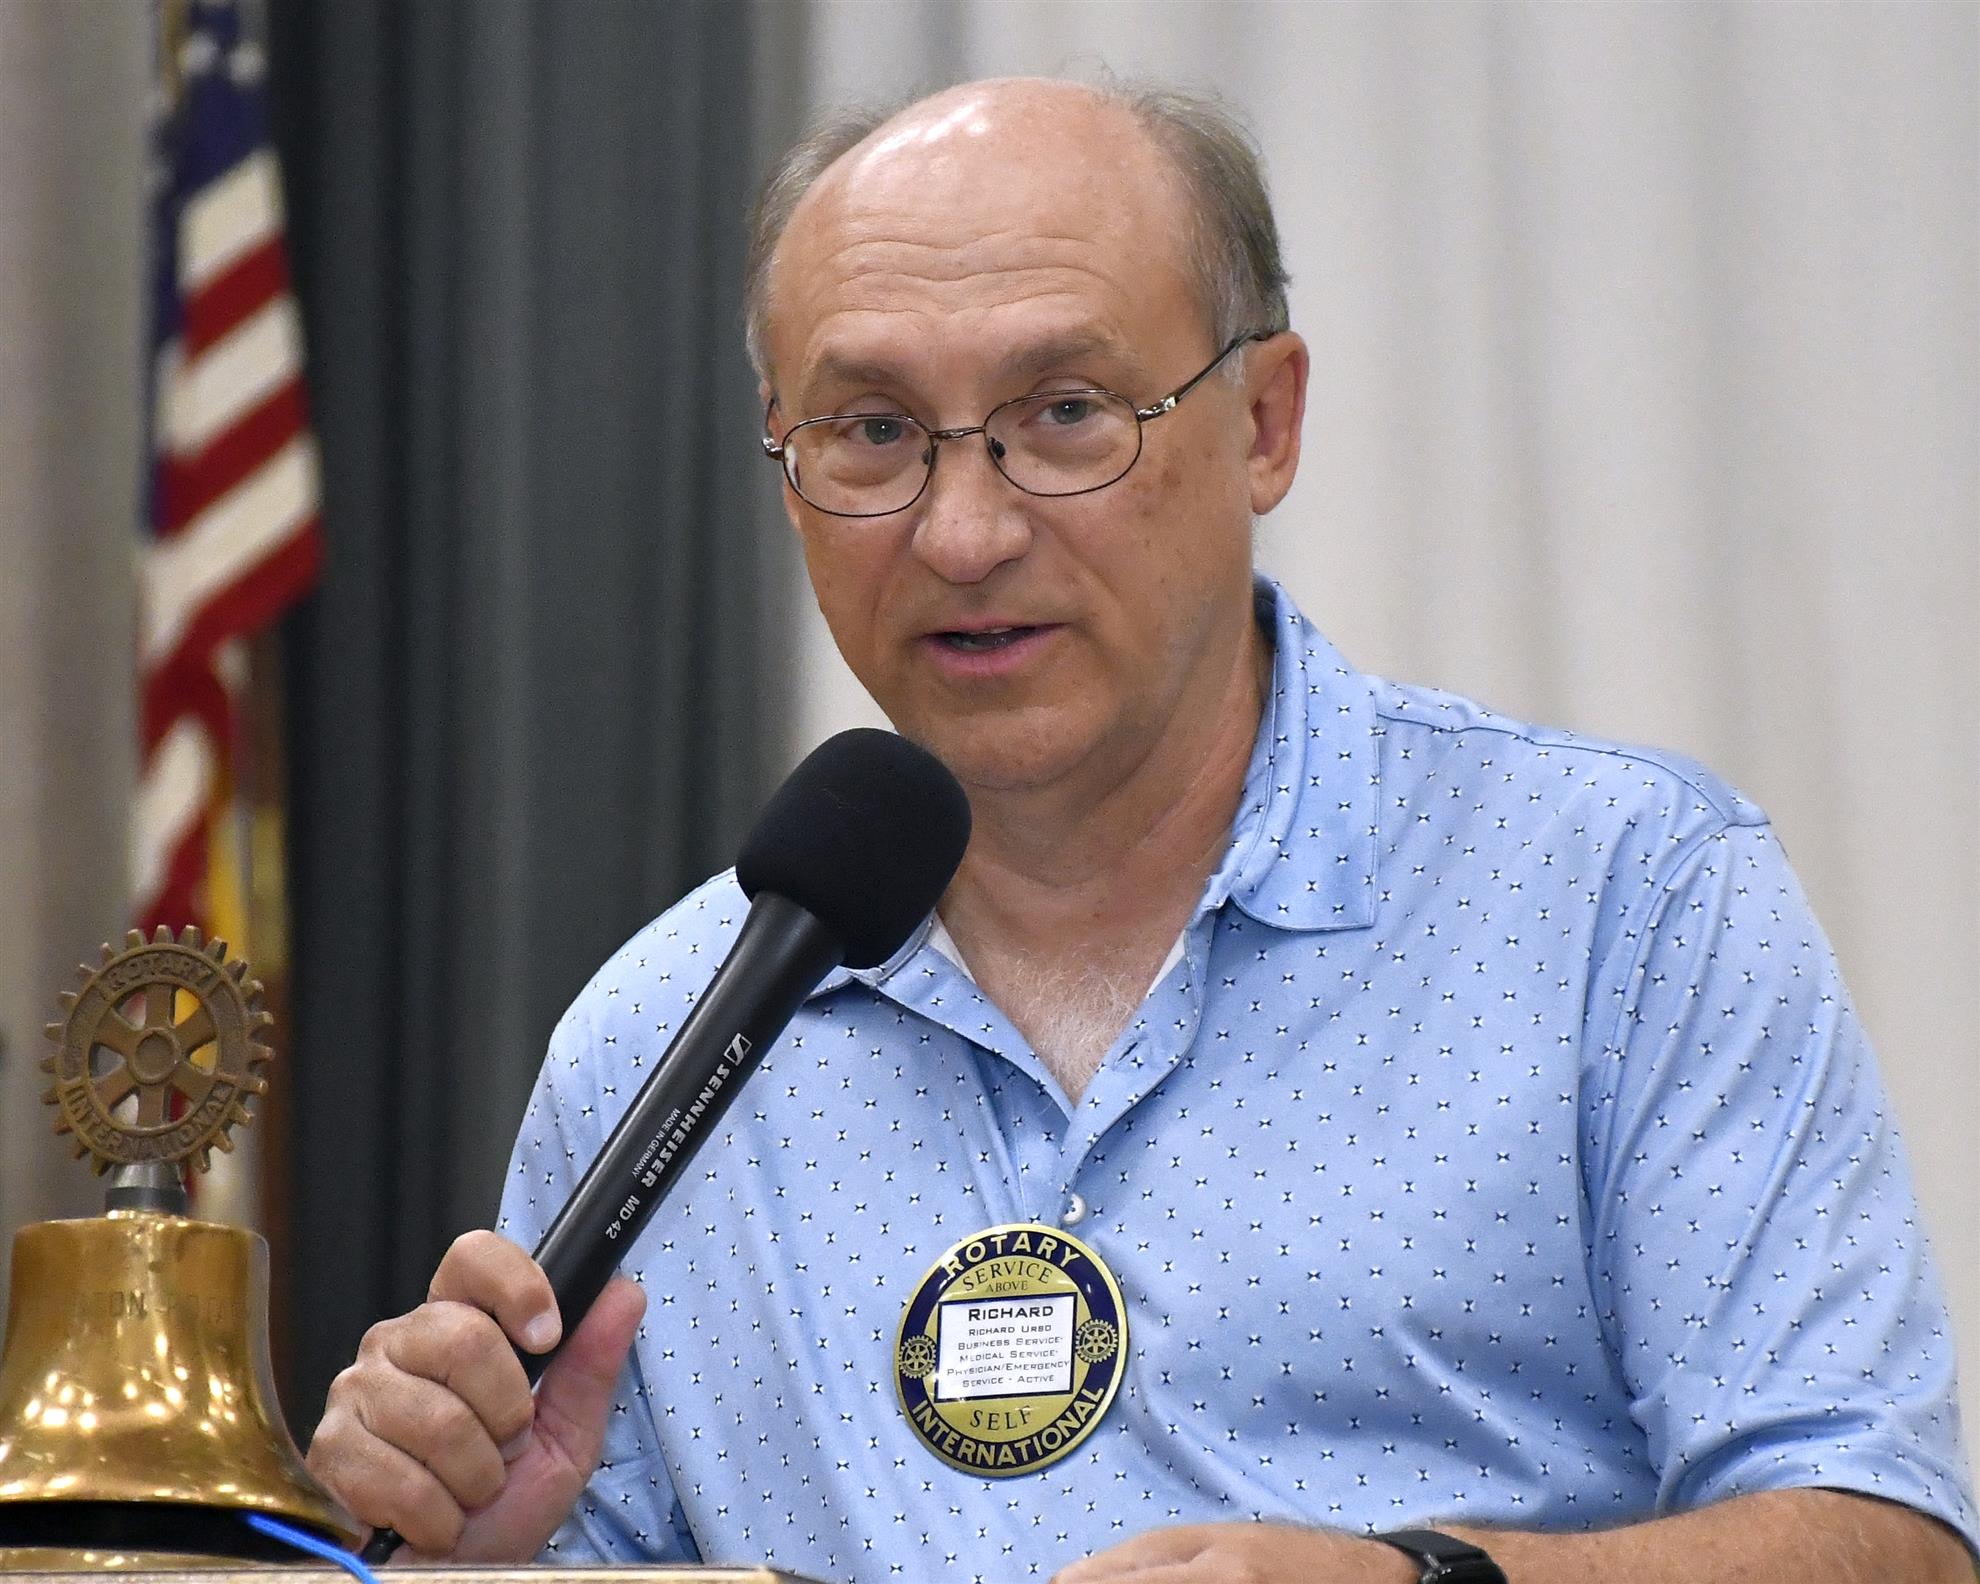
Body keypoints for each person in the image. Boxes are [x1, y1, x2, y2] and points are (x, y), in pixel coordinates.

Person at [305, 77, 1976, 1583]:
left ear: (1266, 423)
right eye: (873, 432)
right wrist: (477, 1563)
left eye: (1065, 414)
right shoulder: (659, 1037)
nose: (963, 534)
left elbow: (1883, 1538)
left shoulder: (1621, 900)